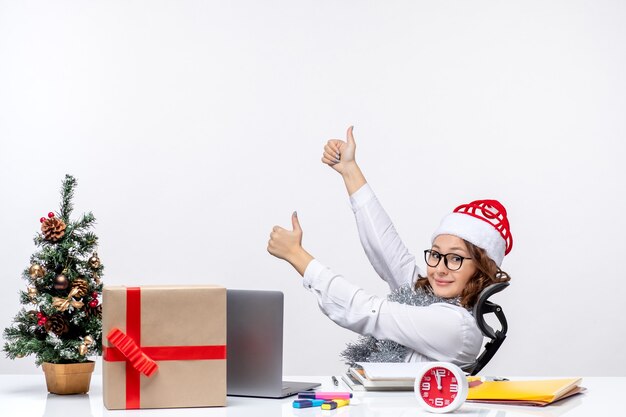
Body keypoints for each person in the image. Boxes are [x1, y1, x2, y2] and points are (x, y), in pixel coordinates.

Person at [267, 126, 512, 367]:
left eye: (455, 258)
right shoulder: (427, 300)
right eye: (435, 255)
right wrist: (350, 170)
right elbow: (386, 250)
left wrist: (296, 255)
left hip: (401, 409)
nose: (440, 268)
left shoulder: (456, 326)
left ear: (481, 269)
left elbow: (367, 311)